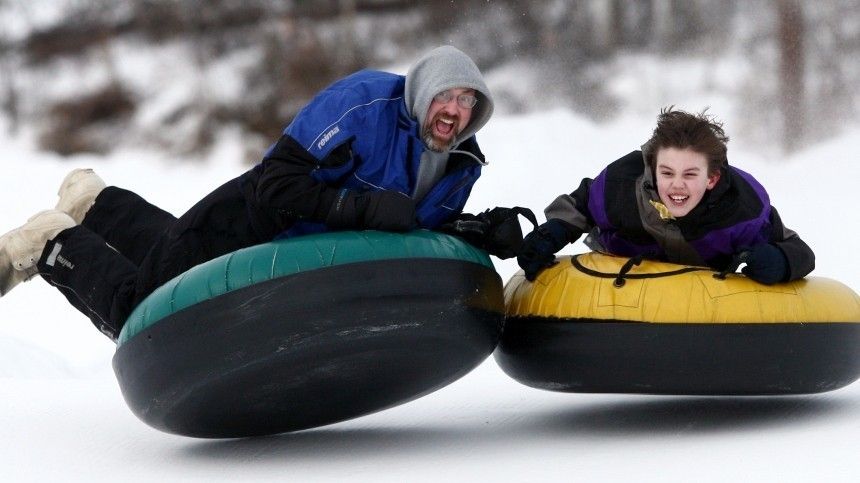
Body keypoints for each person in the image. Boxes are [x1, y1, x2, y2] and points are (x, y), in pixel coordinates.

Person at [0, 45, 514, 341]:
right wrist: (358, 207)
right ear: (424, 93)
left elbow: (414, 226)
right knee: (146, 313)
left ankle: (94, 205)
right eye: (446, 95)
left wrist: (476, 230)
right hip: (248, 222)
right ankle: (48, 242)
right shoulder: (362, 104)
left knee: (166, 257)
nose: (454, 110)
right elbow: (277, 183)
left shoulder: (462, 165)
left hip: (299, 268)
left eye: (467, 102)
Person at [517, 107, 815, 284]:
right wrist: (552, 232)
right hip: (622, 278)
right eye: (667, 173)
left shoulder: (742, 207)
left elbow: (800, 250)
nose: (676, 186)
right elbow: (580, 206)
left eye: (690, 175)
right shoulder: (621, 185)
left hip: (702, 293)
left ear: (712, 178)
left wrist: (780, 261)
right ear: (652, 169)